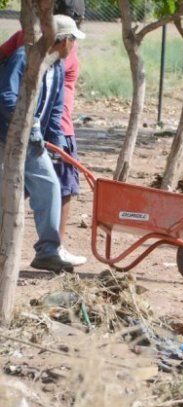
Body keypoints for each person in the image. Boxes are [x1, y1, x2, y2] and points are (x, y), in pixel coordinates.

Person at [0, 0, 87, 266]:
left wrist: (55, 142)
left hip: (33, 141)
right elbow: (5, 95)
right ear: (62, 40)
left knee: (49, 185)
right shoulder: (23, 57)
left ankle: (48, 250)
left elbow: (57, 106)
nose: (74, 45)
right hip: (9, 137)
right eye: (72, 40)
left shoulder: (57, 68)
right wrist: (28, 124)